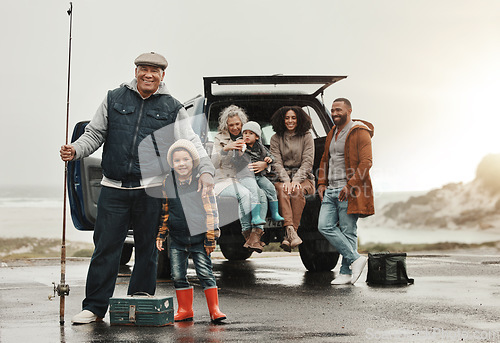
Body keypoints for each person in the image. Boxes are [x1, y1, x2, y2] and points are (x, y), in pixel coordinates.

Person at [60, 52, 215, 324]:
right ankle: (95, 307)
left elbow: (191, 142)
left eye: (155, 71)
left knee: (148, 248)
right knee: (106, 248)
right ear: (136, 71)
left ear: (162, 76)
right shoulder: (114, 98)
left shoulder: (172, 107)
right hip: (114, 189)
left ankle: (139, 301)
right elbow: (95, 134)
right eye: (144, 69)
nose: (148, 75)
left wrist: (205, 170)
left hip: (151, 189)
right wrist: (75, 150)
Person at [156, 139, 226, 323]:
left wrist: (211, 237)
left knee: (205, 273)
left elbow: (211, 211)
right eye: (177, 160)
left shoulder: (201, 180)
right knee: (178, 275)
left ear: (193, 161)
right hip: (177, 238)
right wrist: (161, 234)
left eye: (185, 159)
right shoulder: (168, 182)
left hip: (199, 238)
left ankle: (215, 309)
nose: (181, 164)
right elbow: (165, 210)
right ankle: (185, 309)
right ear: (172, 163)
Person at [317, 98, 374, 285]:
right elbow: (326, 158)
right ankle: (355, 258)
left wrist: (350, 186)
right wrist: (321, 182)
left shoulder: (360, 132)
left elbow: (366, 163)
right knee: (324, 226)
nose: (334, 113)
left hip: (349, 190)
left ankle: (345, 272)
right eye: (332, 110)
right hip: (331, 188)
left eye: (338, 110)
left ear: (349, 110)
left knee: (348, 231)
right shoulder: (332, 132)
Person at [211, 105, 268, 252]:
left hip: (245, 177)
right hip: (225, 179)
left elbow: (263, 154)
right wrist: (226, 148)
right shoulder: (219, 139)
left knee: (262, 194)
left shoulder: (249, 137)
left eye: (237, 124)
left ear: (242, 124)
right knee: (246, 194)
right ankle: (247, 233)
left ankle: (256, 234)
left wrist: (265, 164)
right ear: (226, 125)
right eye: (231, 125)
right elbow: (213, 164)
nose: (235, 128)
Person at [269, 106, 315, 252]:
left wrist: (295, 180)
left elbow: (308, 161)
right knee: (283, 189)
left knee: (296, 190)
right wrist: (286, 180)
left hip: (303, 177)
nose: (290, 121)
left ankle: (289, 233)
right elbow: (276, 162)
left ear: (299, 119)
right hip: (282, 177)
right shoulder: (275, 138)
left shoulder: (307, 136)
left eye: (293, 118)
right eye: (287, 118)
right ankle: (291, 232)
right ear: (282, 120)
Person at [236, 121, 284, 222]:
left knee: (271, 188)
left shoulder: (260, 147)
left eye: (250, 133)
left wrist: (268, 160)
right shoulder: (240, 145)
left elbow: (271, 156)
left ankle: (275, 213)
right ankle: (255, 216)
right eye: (245, 133)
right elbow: (233, 161)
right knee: (254, 191)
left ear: (257, 137)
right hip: (246, 176)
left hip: (259, 175)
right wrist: (239, 154)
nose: (247, 136)